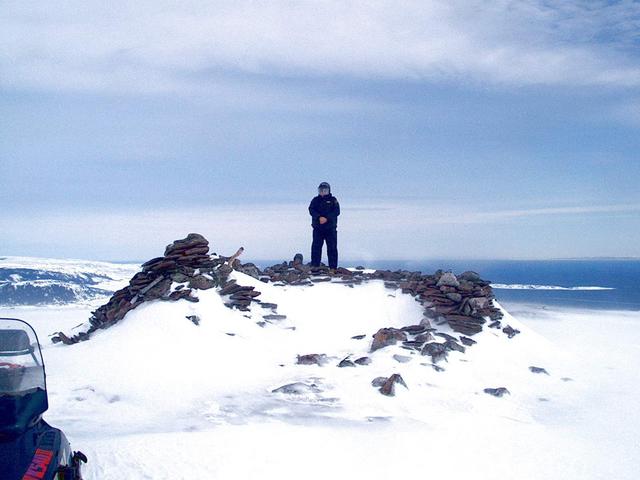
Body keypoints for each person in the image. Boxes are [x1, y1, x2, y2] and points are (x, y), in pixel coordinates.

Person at [308, 182, 340, 270]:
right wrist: (318, 217)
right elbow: (311, 210)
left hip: (330, 229)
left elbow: (336, 212)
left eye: (325, 190)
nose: (322, 192)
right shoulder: (315, 200)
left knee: (332, 248)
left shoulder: (333, 200)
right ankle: (315, 266)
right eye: (320, 190)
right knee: (316, 247)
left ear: (329, 191)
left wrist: (326, 218)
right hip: (318, 228)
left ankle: (333, 268)